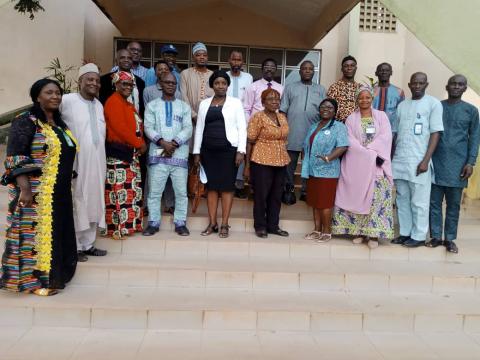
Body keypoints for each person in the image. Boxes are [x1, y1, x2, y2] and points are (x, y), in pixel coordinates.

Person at [0, 79, 77, 296]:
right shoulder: (26, 121)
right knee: (35, 238)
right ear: (37, 97)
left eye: (58, 93)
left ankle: (55, 275)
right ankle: (35, 283)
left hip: (59, 192)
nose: (55, 96)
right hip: (36, 192)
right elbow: (16, 157)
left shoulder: (59, 124)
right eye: (49, 92)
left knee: (55, 235)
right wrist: (25, 189)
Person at [332, 87, 394, 248]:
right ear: (356, 100)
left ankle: (373, 235)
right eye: (361, 98)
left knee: (375, 199)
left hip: (377, 165)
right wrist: (365, 153)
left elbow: (386, 136)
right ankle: (359, 231)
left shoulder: (381, 116)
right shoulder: (351, 119)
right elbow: (350, 140)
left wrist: (371, 151)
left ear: (371, 98)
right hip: (358, 164)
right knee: (358, 196)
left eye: (367, 97)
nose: (364, 100)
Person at [60, 63, 107, 262]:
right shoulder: (67, 100)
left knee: (95, 200)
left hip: (97, 160)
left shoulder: (99, 105)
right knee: (78, 200)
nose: (94, 83)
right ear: (79, 81)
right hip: (77, 162)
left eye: (97, 80)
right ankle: (76, 246)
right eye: (89, 79)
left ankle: (88, 244)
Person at [428, 75, 480, 253]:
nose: (456, 87)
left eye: (460, 84)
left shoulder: (471, 111)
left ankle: (449, 239)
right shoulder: (437, 107)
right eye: (453, 84)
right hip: (436, 162)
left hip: (459, 165)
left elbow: (474, 138)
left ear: (465, 88)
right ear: (447, 86)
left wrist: (471, 162)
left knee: (453, 205)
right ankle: (436, 236)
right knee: (434, 202)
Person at [391, 72, 443, 248]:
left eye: (421, 83)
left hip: (419, 160)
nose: (417, 86)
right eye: (415, 83)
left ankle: (419, 235)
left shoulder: (433, 104)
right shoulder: (402, 105)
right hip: (400, 160)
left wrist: (425, 160)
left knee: (419, 201)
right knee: (402, 198)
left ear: (426, 84)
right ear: (409, 84)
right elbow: (395, 133)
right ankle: (405, 233)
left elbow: (436, 133)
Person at [193, 70, 246, 238]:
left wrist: (241, 151)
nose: (220, 86)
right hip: (208, 152)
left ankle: (225, 224)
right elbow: (199, 129)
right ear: (212, 85)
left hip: (229, 151)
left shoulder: (235, 103)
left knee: (227, 188)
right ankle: (212, 223)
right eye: (217, 83)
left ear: (228, 85)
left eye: (223, 83)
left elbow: (242, 128)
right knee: (211, 188)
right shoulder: (204, 104)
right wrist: (196, 152)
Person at [143, 73, 193, 236]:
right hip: (158, 152)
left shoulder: (184, 107)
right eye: (167, 82)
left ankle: (180, 222)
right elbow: (148, 127)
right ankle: (153, 222)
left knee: (181, 192)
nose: (170, 85)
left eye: (173, 83)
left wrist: (174, 143)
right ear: (160, 84)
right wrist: (163, 143)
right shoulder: (152, 106)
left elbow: (188, 129)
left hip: (179, 153)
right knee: (155, 192)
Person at [103, 71, 147, 239]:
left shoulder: (127, 103)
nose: (128, 87)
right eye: (124, 84)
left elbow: (136, 126)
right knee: (120, 192)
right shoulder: (113, 102)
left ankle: (131, 225)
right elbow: (120, 128)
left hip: (130, 154)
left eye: (130, 84)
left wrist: (139, 141)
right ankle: (119, 228)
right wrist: (139, 143)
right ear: (116, 84)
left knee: (131, 191)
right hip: (119, 154)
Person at [244, 88, 290, 238]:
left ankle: (273, 226)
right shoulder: (258, 117)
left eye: (277, 99)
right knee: (261, 195)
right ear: (263, 102)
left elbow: (284, 137)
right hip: (261, 160)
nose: (274, 101)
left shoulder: (282, 117)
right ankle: (260, 226)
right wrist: (247, 166)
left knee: (276, 196)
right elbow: (250, 141)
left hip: (281, 160)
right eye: (270, 99)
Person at [302, 98, 348, 242]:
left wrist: (328, 158)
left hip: (328, 171)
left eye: (329, 107)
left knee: (325, 203)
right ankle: (317, 230)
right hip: (312, 170)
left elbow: (343, 146)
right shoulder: (314, 126)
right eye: (323, 107)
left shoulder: (339, 127)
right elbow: (306, 144)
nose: (325, 109)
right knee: (315, 202)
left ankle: (327, 231)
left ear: (335, 111)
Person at [280, 60, 326, 203]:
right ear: (299, 71)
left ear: (314, 72)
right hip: (293, 133)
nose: (307, 71)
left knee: (309, 164)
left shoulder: (321, 90)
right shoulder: (290, 88)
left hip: (312, 134)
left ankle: (306, 191)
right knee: (289, 165)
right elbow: (282, 111)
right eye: (304, 68)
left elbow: (325, 111)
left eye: (310, 69)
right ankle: (289, 190)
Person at [143, 59, 180, 214]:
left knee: (170, 173)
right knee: (153, 174)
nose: (163, 71)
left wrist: (173, 142)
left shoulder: (177, 93)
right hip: (157, 141)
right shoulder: (149, 91)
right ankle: (147, 205)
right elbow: (147, 115)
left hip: (172, 142)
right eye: (160, 69)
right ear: (155, 72)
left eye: (166, 69)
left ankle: (170, 204)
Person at [226, 49, 253, 199]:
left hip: (243, 119)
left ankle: (239, 184)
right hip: (227, 119)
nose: (236, 62)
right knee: (228, 149)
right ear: (229, 61)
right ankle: (227, 182)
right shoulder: (224, 76)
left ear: (242, 62)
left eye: (239, 60)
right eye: (234, 59)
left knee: (241, 149)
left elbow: (249, 99)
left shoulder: (248, 77)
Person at [99, 49, 146, 117]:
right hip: (113, 121)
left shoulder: (140, 82)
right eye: (122, 57)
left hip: (136, 123)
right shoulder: (105, 80)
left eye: (129, 58)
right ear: (116, 61)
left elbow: (141, 106)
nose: (126, 60)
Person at [181, 42, 214, 126]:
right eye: (198, 55)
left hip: (209, 118)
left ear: (207, 57)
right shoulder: (185, 74)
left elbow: (215, 97)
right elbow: (183, 97)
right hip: (189, 119)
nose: (202, 57)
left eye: (204, 55)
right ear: (193, 57)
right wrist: (194, 115)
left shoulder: (213, 75)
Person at [327, 55, 360, 122]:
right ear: (342, 69)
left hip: (356, 126)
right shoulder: (334, 87)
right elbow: (329, 109)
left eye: (352, 65)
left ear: (356, 68)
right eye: (346, 66)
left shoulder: (360, 88)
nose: (349, 68)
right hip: (338, 126)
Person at [373, 62, 405, 128]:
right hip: (372, 128)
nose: (384, 72)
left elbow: (401, 113)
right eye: (381, 70)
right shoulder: (369, 91)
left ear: (391, 73)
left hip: (392, 129)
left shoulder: (399, 92)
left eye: (387, 70)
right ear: (376, 73)